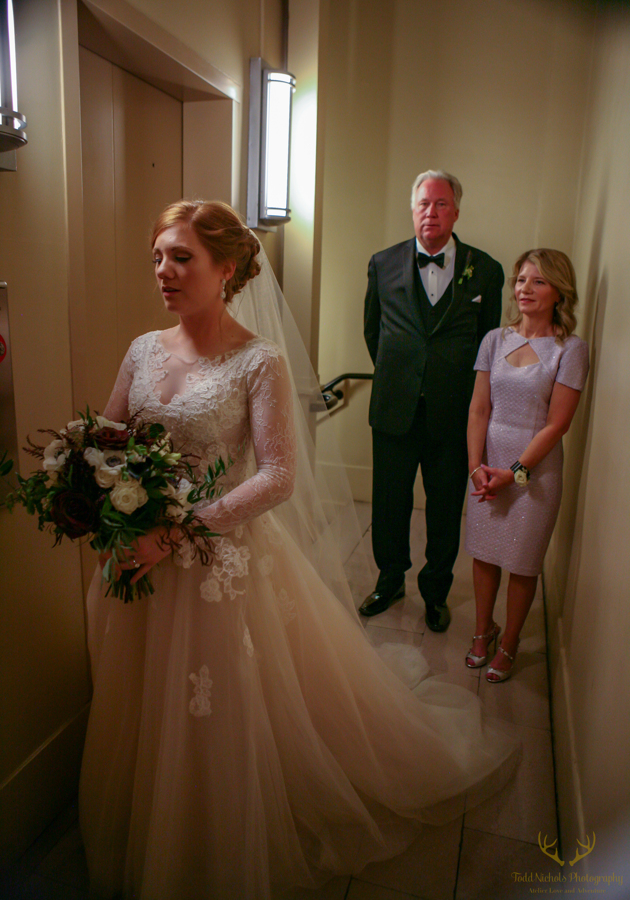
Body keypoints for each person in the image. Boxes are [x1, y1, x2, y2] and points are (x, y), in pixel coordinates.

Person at [79, 200, 519, 900]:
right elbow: (111, 435)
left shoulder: (259, 359)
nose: (164, 270)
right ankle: (160, 819)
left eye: (182, 257)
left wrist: (181, 529)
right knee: (147, 697)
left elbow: (278, 475)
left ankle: (218, 830)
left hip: (216, 562)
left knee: (220, 701)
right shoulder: (141, 348)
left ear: (227, 268)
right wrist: (87, 479)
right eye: (157, 257)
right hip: (140, 557)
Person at [362, 170, 504, 630]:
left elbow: (487, 346)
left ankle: (436, 590)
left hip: (454, 413)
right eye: (424, 203)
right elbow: (373, 332)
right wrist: (404, 376)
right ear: (413, 209)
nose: (431, 212)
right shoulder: (382, 263)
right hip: (394, 409)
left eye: (441, 204)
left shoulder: (486, 270)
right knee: (389, 503)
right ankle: (389, 579)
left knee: (444, 508)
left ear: (456, 212)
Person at [465, 249, 589, 682]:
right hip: (487, 466)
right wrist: (476, 467)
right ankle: (483, 630)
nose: (525, 289)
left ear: (559, 291)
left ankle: (510, 642)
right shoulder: (494, 340)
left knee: (522, 560)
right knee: (484, 553)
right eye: (520, 280)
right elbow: (479, 408)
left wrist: (514, 472)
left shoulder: (570, 349)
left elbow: (558, 424)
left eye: (538, 281)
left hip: (535, 475)